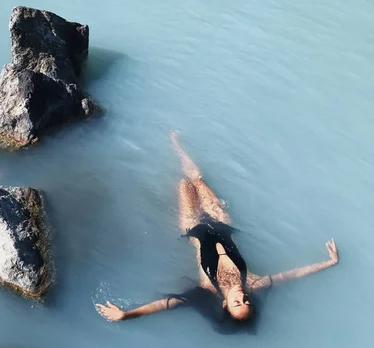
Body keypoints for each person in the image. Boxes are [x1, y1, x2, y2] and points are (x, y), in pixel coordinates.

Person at [96, 132, 339, 330]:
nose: (242, 297)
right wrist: (329, 262)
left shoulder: (208, 288)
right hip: (222, 223)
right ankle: (176, 142)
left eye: (236, 303)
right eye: (246, 302)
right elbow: (294, 274)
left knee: (183, 185)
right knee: (198, 180)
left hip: (194, 228)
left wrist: (127, 315)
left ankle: (173, 145)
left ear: (225, 305)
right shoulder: (255, 283)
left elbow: (166, 304)